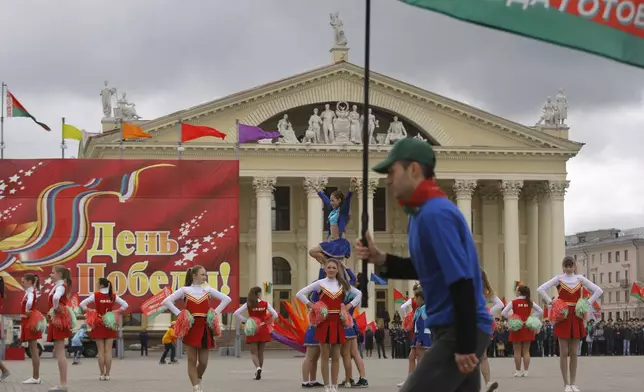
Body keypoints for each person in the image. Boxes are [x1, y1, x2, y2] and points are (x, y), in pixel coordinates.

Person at [355, 138, 493, 392]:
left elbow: (461, 280)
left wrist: (463, 345)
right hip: (453, 328)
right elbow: (424, 268)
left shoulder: (435, 213)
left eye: (392, 171)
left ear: (414, 170)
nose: (387, 180)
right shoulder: (420, 215)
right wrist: (381, 259)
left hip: (459, 329)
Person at [537, 256, 603, 392]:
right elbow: (541, 289)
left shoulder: (580, 279)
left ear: (574, 266)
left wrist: (587, 303)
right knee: (564, 352)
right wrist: (552, 302)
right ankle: (566, 384)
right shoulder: (558, 279)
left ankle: (573, 383)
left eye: (570, 265)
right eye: (566, 265)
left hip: (577, 315)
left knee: (573, 352)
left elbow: (598, 290)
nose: (568, 268)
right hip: (563, 316)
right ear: (563, 266)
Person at [162, 265, 232, 392]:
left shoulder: (208, 290)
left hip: (205, 327)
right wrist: (180, 314)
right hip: (191, 327)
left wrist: (214, 313)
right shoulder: (184, 290)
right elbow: (167, 301)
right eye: (202, 274)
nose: (205, 276)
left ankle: (198, 378)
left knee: (204, 361)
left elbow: (227, 299)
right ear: (194, 276)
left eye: (205, 274)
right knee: (192, 359)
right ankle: (196, 387)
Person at [296, 258, 362, 392]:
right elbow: (300, 294)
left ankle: (335, 385)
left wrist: (349, 305)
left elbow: (359, 294)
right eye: (329, 267)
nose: (331, 270)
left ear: (338, 270)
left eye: (334, 268)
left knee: (336, 356)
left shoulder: (342, 284)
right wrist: (312, 306)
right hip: (324, 322)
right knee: (325, 356)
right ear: (325, 269)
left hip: (337, 321)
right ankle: (327, 385)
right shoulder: (320, 283)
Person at [79, 277, 129, 380]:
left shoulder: (96, 295)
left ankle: (101, 374)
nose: (96, 284)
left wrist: (88, 310)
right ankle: (108, 374)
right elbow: (125, 305)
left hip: (98, 322)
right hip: (109, 322)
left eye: (97, 283)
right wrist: (116, 312)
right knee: (108, 351)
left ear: (101, 285)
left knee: (100, 351)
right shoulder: (113, 296)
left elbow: (82, 304)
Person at [233, 286, 278, 380]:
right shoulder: (265, 303)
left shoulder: (249, 304)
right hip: (263, 328)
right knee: (261, 353)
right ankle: (260, 369)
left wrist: (246, 321)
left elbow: (236, 313)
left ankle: (257, 368)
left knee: (254, 352)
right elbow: (275, 314)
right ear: (258, 294)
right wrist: (269, 321)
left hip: (252, 329)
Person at [309, 179, 356, 265]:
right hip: (331, 240)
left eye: (333, 200)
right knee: (313, 252)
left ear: (339, 200)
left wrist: (351, 188)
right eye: (331, 200)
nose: (331, 202)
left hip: (339, 242)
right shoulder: (332, 209)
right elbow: (325, 199)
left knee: (313, 252)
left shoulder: (343, 211)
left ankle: (330, 265)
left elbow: (348, 199)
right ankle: (329, 265)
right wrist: (317, 190)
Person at [501, 284, 543, 378]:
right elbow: (540, 311)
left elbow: (503, 312)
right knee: (526, 350)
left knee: (517, 350)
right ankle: (526, 371)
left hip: (516, 326)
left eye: (516, 290)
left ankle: (518, 371)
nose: (515, 291)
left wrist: (512, 318)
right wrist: (531, 317)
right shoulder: (529, 302)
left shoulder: (514, 302)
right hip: (527, 326)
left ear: (519, 292)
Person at [47, 265, 74, 392]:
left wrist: (56, 308)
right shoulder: (59, 285)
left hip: (59, 320)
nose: (50, 275)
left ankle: (63, 384)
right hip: (58, 318)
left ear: (59, 275)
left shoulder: (60, 286)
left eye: (52, 273)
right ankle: (62, 383)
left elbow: (56, 298)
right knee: (59, 353)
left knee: (60, 353)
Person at [339, 289, 368, 387]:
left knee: (346, 354)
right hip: (352, 324)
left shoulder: (339, 295)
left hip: (344, 324)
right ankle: (362, 378)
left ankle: (350, 378)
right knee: (354, 353)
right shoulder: (352, 296)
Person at [480, 269, 503, 392]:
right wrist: (488, 312)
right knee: (482, 355)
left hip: (471, 322)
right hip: (482, 322)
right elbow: (499, 304)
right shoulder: (486, 291)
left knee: (477, 354)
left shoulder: (468, 288)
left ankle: (488, 382)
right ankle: (487, 382)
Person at [20, 273, 42, 384]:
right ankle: (35, 376)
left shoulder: (30, 292)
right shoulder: (29, 291)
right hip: (29, 320)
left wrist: (27, 311)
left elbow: (29, 302)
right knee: (33, 350)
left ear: (29, 281)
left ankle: (36, 377)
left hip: (30, 321)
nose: (22, 283)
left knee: (33, 350)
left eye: (23, 281)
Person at [398, 283, 420, 387]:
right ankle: (410, 381)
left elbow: (403, 307)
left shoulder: (419, 304)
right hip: (416, 330)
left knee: (419, 357)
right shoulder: (420, 304)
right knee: (412, 356)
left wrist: (406, 316)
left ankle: (421, 381)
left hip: (421, 331)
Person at [301, 288, 323, 388]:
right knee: (310, 357)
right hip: (314, 331)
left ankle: (313, 380)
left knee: (315, 358)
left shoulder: (318, 304)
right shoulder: (315, 303)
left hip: (319, 331)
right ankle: (305, 381)